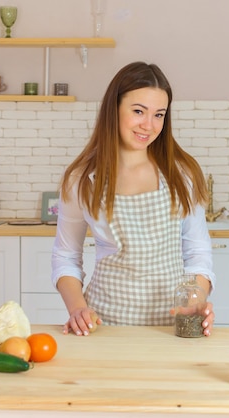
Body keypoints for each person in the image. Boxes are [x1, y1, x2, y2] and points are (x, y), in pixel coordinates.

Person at [51, 62, 216, 337]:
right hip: (103, 326)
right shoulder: (82, 179)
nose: (149, 126)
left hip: (172, 328)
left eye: (159, 115)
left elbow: (198, 253)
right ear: (113, 109)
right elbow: (65, 256)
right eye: (138, 111)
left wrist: (195, 303)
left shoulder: (182, 174)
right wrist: (78, 309)